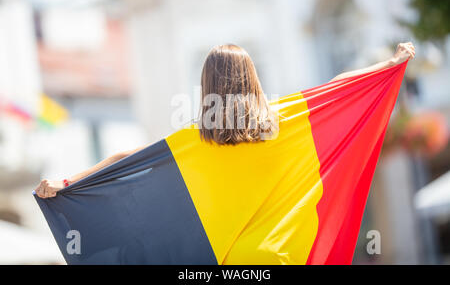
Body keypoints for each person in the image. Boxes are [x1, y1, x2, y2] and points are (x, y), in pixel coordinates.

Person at [35, 42, 415, 198]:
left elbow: (123, 157)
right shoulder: (282, 120)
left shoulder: (196, 138)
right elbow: (336, 86)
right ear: (252, 78)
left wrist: (66, 182)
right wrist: (391, 64)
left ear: (207, 85)